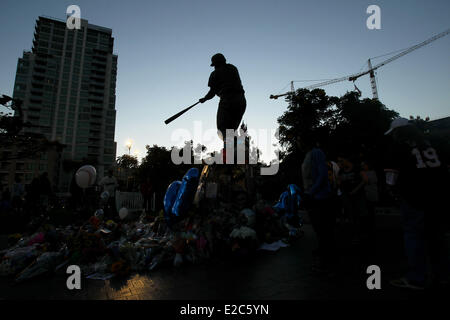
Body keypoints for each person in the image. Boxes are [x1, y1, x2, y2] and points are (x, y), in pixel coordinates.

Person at [384, 117, 450, 290]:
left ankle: (417, 278)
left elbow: (391, 178)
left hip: (414, 198)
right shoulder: (432, 144)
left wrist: (393, 193)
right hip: (439, 198)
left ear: (398, 132)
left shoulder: (398, 147)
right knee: (438, 237)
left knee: (414, 236)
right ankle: (443, 275)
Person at [199, 53, 246, 163]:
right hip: (241, 100)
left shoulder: (215, 73)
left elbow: (212, 92)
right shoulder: (233, 68)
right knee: (231, 130)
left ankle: (229, 152)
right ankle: (236, 148)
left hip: (228, 101)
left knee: (222, 129)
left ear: (215, 64)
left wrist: (204, 99)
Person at [300, 137, 334, 274]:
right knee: (318, 227)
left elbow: (322, 174)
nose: (298, 143)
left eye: (299, 140)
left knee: (323, 228)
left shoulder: (317, 152)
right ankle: (323, 254)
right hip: (312, 195)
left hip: (319, 196)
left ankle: (326, 258)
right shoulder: (308, 155)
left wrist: (312, 192)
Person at [337, 153, 368, 244]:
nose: (340, 163)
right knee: (352, 216)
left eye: (341, 160)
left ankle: (363, 235)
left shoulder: (356, 168)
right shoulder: (341, 171)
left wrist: (356, 190)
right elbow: (339, 182)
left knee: (361, 215)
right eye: (339, 161)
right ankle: (355, 235)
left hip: (358, 197)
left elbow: (365, 179)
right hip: (348, 197)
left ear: (346, 160)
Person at [361, 160, 378, 244]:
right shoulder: (367, 173)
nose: (363, 166)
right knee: (368, 212)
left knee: (371, 212)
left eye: (364, 165)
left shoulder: (371, 173)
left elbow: (367, 181)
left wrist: (363, 174)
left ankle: (372, 230)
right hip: (367, 196)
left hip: (371, 196)